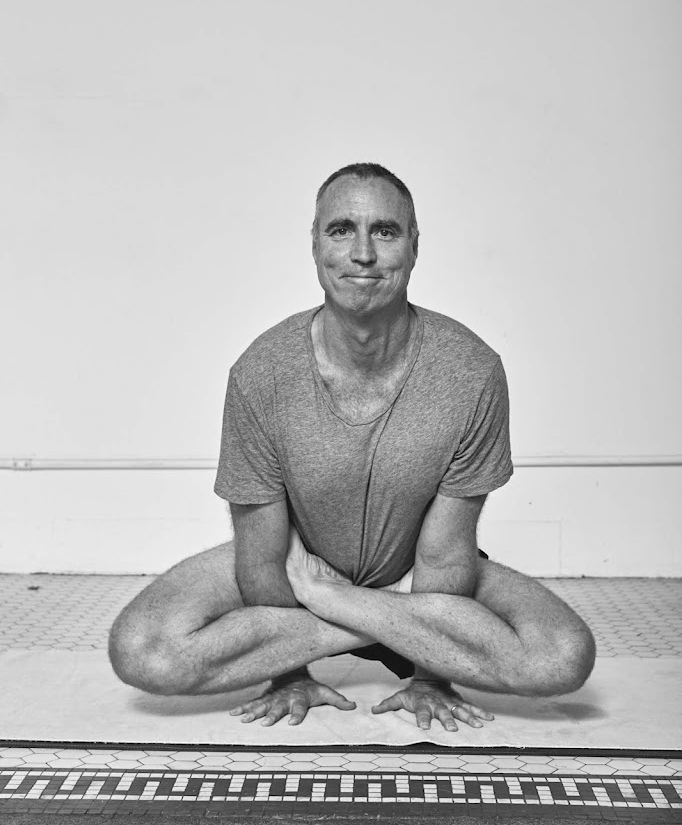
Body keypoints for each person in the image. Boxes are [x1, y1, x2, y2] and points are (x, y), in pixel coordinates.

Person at [109, 162, 595, 732]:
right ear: (316, 245)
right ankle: (365, 625)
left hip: (417, 576)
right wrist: (290, 674)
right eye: (341, 230)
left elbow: (444, 555)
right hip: (296, 565)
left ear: (414, 246)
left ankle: (355, 614)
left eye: (384, 231)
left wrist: (428, 675)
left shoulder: (471, 371)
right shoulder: (261, 373)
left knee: (562, 656)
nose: (362, 253)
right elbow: (263, 555)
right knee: (141, 649)